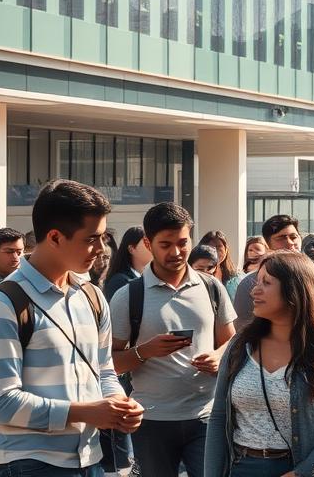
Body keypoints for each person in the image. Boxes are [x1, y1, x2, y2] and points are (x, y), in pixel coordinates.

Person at [0, 179, 144, 474]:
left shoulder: (91, 296)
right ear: (54, 237)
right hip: (28, 463)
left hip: (91, 458)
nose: (101, 249)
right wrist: (86, 412)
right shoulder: (5, 302)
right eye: (92, 238)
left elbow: (103, 370)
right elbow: (2, 403)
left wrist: (117, 404)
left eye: (103, 238)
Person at [204, 251, 314, 477]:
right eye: (257, 281)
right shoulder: (240, 344)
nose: (254, 290)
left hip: (297, 467)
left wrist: (303, 472)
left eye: (266, 283)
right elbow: (218, 418)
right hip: (240, 467)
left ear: (294, 290)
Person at [110, 202, 236, 477]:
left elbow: (231, 341)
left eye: (183, 242)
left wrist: (218, 356)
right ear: (147, 242)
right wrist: (145, 352)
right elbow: (110, 364)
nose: (177, 252)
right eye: (166, 244)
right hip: (152, 419)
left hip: (207, 415)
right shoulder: (128, 296)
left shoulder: (211, 287)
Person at [233, 215, 301, 331]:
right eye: (281, 238)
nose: (290, 243)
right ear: (268, 245)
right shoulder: (249, 284)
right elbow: (244, 331)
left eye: (293, 237)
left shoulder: (312, 278)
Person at [103, 225, 152, 299]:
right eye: (146, 243)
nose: (151, 247)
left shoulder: (146, 278)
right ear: (131, 249)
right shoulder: (120, 282)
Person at [198, 229, 240, 299]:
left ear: (226, 249)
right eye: (210, 248)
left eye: (218, 247)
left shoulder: (235, 278)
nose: (214, 251)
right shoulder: (194, 275)